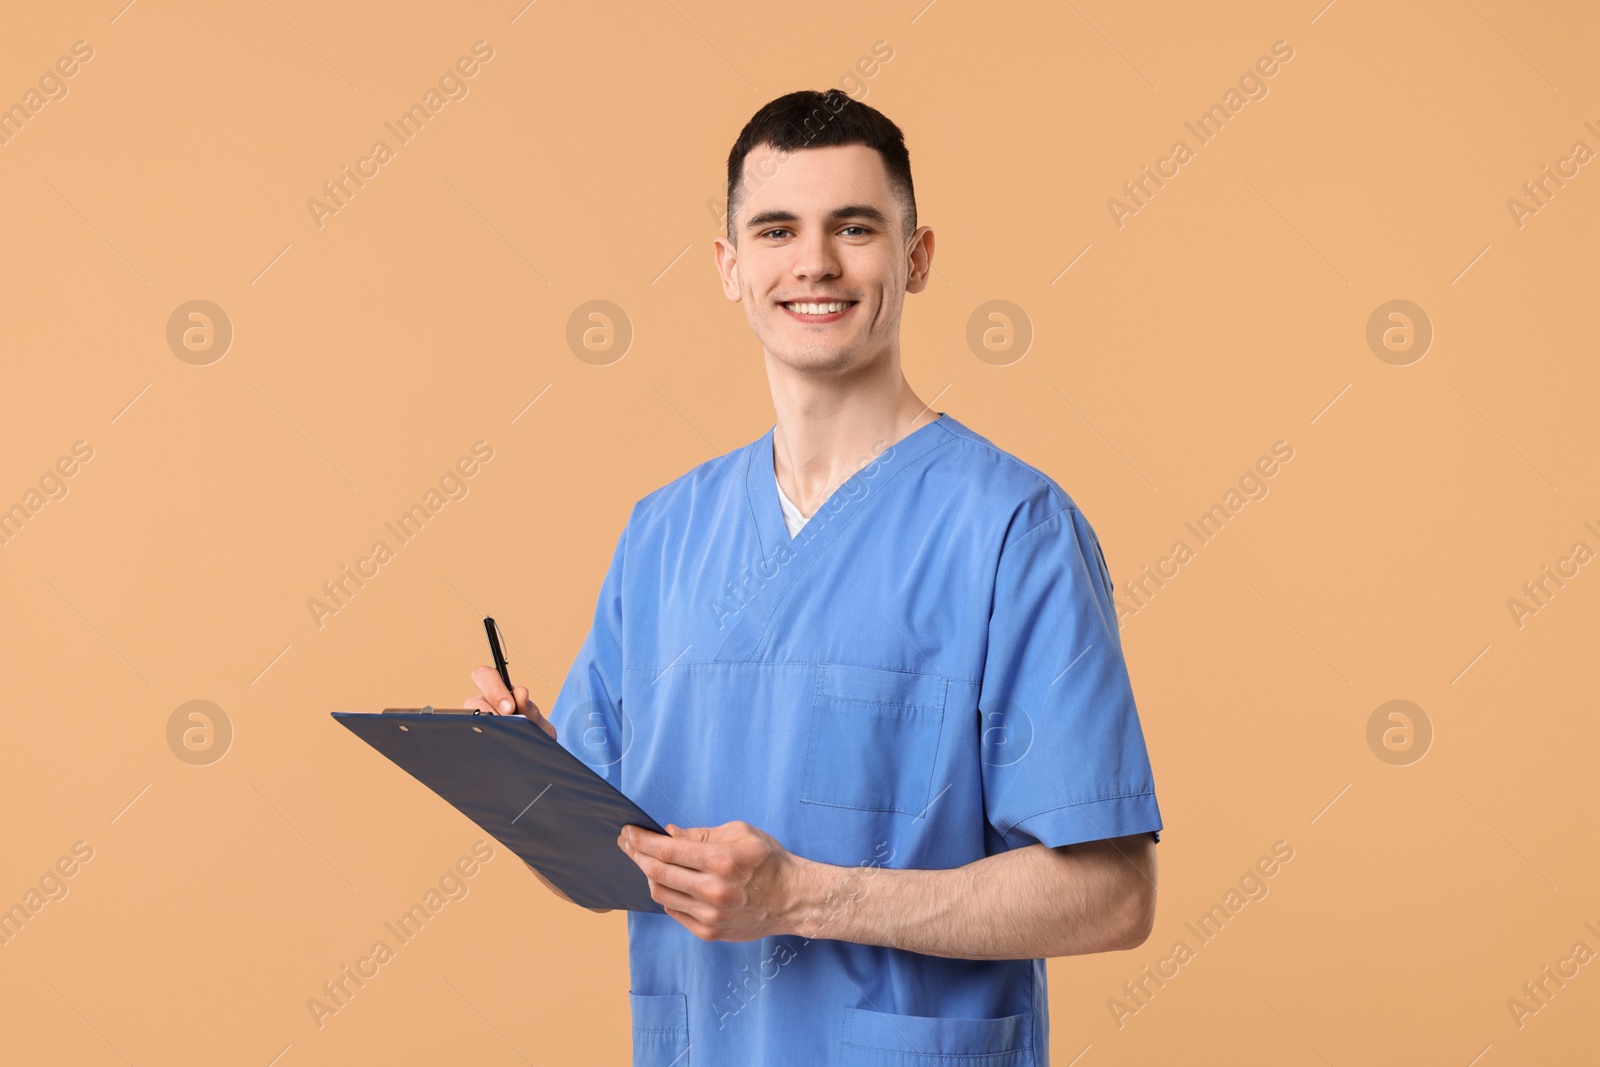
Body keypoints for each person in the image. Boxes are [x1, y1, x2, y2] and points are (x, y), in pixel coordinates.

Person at [467, 87, 1163, 1066]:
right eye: (776, 229)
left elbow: (1114, 892)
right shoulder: (663, 533)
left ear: (916, 258)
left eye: (855, 227)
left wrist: (802, 893)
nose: (815, 263)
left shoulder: (1011, 529)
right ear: (729, 265)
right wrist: (531, 778)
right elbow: (614, 863)